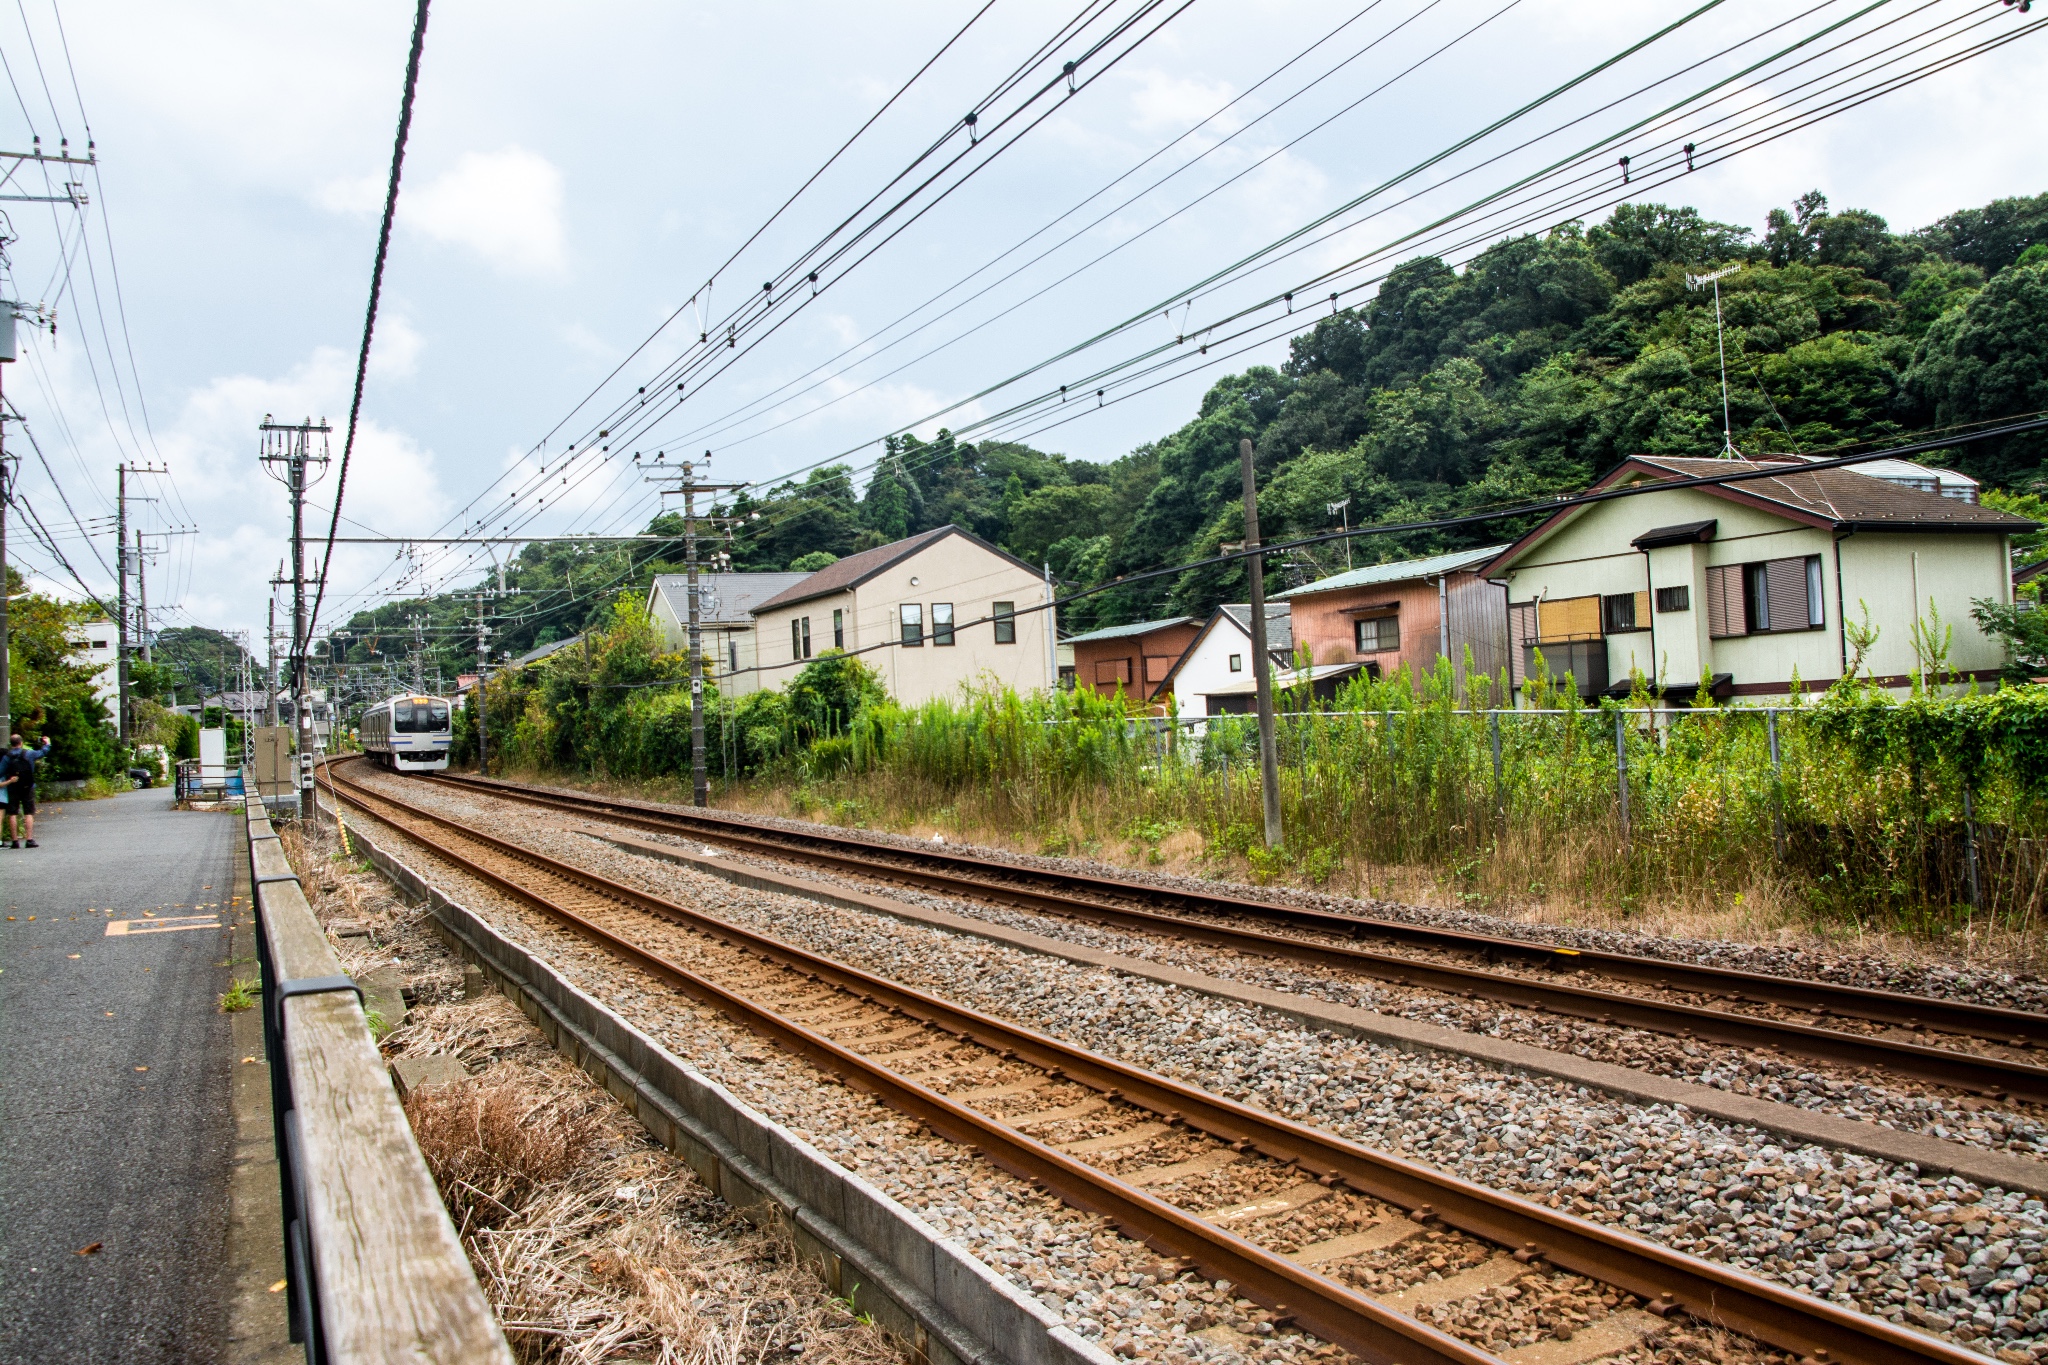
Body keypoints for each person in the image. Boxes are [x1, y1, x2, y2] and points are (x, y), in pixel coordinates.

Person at [0, 733, 52, 848]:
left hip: (13, 786)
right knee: (29, 812)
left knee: (12, 813)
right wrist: (47, 744)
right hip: (28, 786)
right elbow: (42, 752)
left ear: (11, 744)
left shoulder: (7, 757)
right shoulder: (29, 754)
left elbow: (0, 772)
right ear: (21, 743)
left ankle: (15, 841)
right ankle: (29, 839)